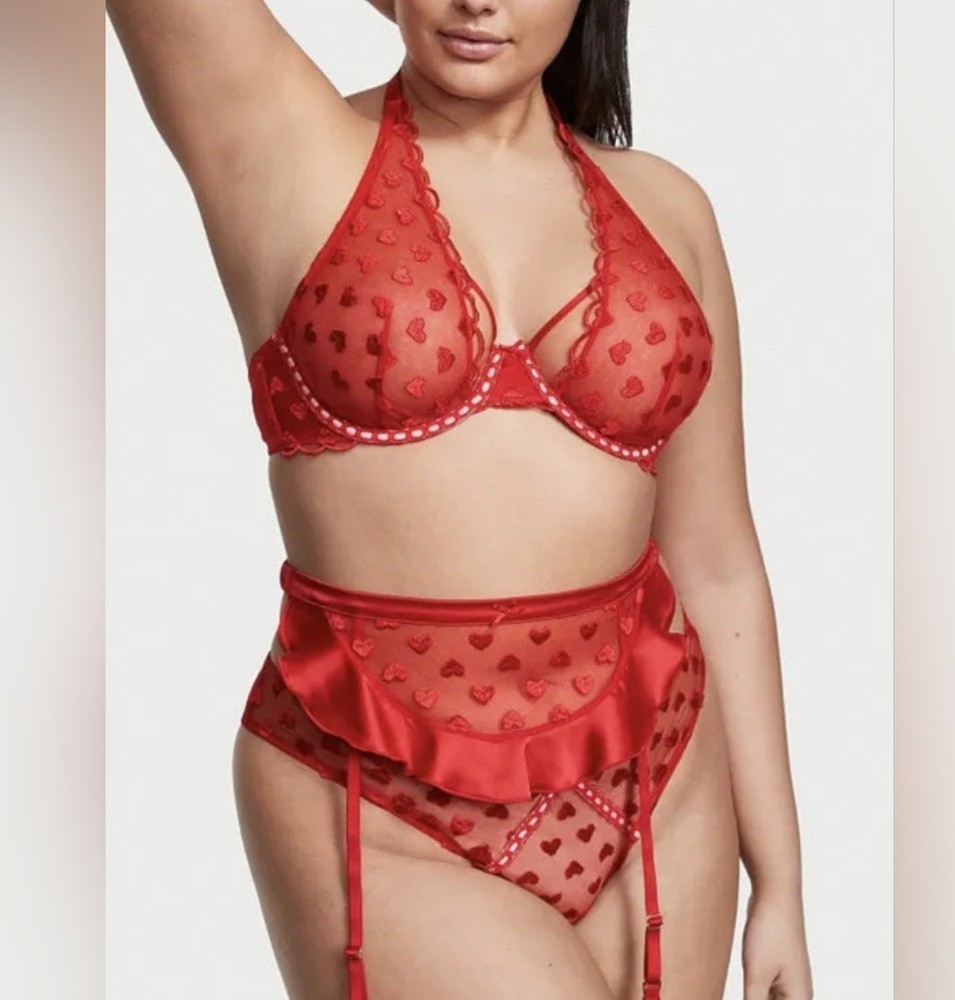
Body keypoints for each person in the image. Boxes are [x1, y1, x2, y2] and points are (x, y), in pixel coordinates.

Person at [107, 2, 814, 998]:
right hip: (383, 802)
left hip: (657, 779)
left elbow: (716, 559)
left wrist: (780, 877)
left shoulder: (669, 209)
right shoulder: (280, 145)